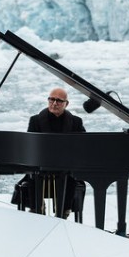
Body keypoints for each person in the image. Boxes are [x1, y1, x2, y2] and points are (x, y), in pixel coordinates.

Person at [11, 87, 86, 219]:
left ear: (66, 104)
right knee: (33, 176)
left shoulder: (76, 122)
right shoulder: (35, 120)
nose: (54, 103)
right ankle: (37, 210)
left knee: (71, 177)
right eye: (51, 99)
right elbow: (30, 147)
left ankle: (63, 212)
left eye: (59, 100)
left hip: (65, 169)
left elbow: (83, 146)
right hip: (41, 169)